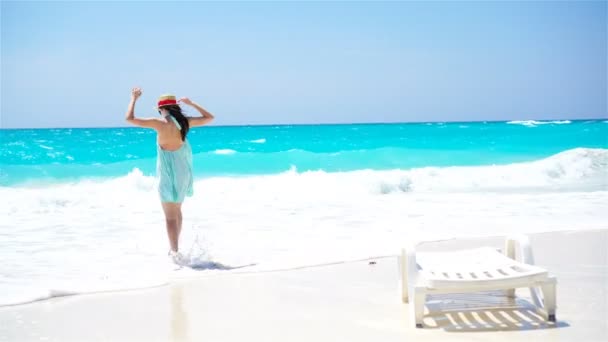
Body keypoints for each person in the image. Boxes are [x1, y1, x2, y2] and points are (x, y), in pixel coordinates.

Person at [125, 87, 214, 264]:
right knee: (177, 211)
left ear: (161, 109)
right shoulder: (186, 122)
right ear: (176, 108)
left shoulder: (158, 124)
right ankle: (176, 250)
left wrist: (133, 98)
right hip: (183, 173)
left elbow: (129, 119)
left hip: (166, 174)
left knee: (169, 216)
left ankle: (174, 252)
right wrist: (192, 103)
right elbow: (209, 118)